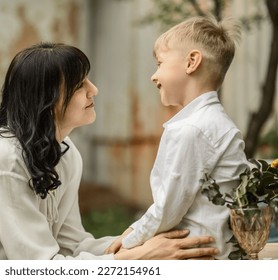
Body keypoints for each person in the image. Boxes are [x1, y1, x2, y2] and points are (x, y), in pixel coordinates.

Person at [0, 42, 217, 260]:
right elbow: (41, 266)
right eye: (81, 85)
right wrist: (134, 260)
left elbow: (71, 244)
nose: (94, 90)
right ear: (48, 99)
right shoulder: (3, 160)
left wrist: (135, 241)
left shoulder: (65, 152)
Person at [106, 16, 249, 259]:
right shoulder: (213, 122)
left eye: (159, 63)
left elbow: (168, 210)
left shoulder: (192, 129)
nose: (153, 76)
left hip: (197, 257)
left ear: (192, 62)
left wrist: (127, 243)